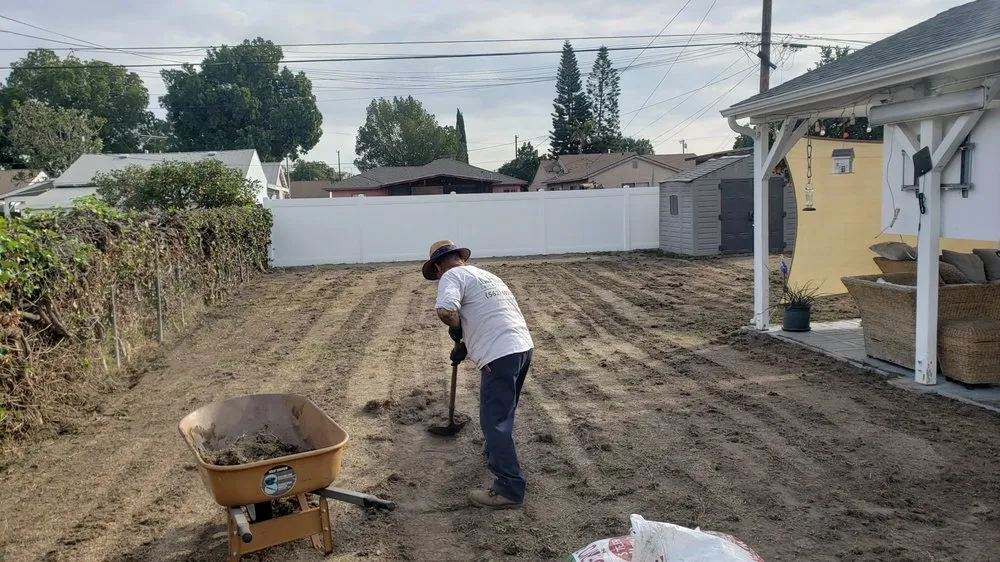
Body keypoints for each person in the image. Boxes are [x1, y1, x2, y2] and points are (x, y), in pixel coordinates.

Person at [423, 240, 534, 509]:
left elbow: (446, 311)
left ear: (438, 267)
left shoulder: (451, 275)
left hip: (499, 353)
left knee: (494, 420)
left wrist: (458, 329)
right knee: (504, 412)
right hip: (522, 348)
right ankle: (493, 451)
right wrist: (465, 345)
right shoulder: (487, 276)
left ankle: (509, 488)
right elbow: (490, 315)